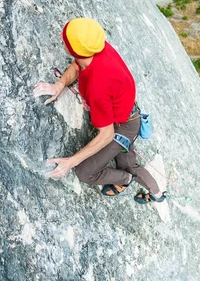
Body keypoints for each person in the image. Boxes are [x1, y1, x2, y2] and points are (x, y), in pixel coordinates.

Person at [33, 18, 166, 204]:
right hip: (125, 115)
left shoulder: (98, 86)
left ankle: (136, 185)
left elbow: (106, 134)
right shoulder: (99, 47)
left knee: (85, 171)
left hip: (123, 127)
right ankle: (151, 190)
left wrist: (70, 162)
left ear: (72, 49)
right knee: (126, 161)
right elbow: (77, 65)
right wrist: (59, 84)